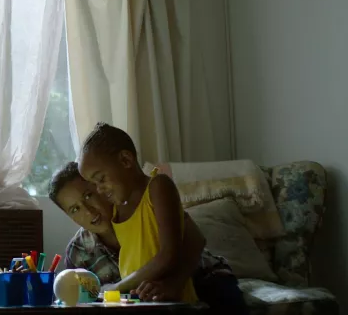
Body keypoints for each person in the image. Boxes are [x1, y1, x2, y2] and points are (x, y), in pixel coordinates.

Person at [70, 123, 247, 310]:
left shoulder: (158, 187)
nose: (99, 189)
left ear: (125, 160)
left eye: (101, 179)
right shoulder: (115, 207)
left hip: (170, 302)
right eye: (93, 184)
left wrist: (118, 287)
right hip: (140, 300)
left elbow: (171, 252)